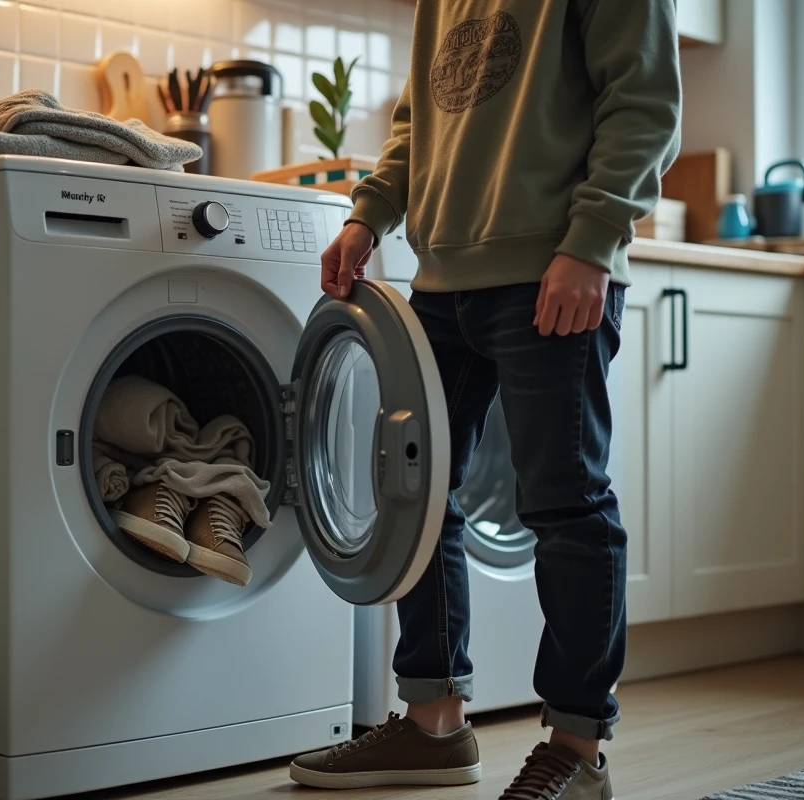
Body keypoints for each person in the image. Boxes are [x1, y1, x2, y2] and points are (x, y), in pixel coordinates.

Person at [289, 2, 681, 797]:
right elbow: (420, 122)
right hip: (443, 282)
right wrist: (370, 214)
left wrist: (592, 241)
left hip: (553, 269)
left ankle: (577, 751)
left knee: (566, 506)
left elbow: (644, 101)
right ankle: (434, 724)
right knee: (415, 495)